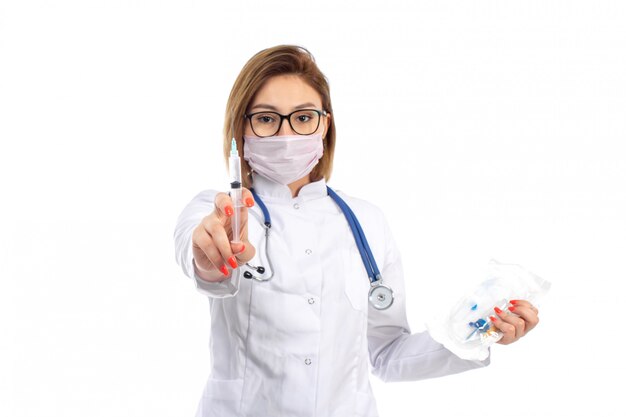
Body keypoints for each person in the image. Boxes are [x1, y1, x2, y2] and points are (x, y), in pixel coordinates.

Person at [173, 45, 540, 417]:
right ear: (243, 127)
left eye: (302, 117)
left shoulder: (366, 221)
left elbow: (386, 354)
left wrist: (474, 334)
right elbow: (200, 257)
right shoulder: (217, 210)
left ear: (324, 124)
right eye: (267, 119)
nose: (286, 131)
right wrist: (208, 257)